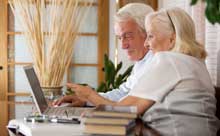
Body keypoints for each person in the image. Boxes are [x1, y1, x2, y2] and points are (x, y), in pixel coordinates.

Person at [64, 7, 219, 136]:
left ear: (172, 39)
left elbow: (123, 111)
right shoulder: (195, 62)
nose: (146, 43)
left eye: (150, 36)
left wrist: (90, 95)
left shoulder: (169, 61)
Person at [53, 3, 154, 106]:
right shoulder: (142, 63)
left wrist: (90, 96)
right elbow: (121, 94)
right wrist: (85, 100)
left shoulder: (157, 64)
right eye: (120, 38)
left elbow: (129, 107)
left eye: (128, 36)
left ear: (147, 33)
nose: (123, 46)